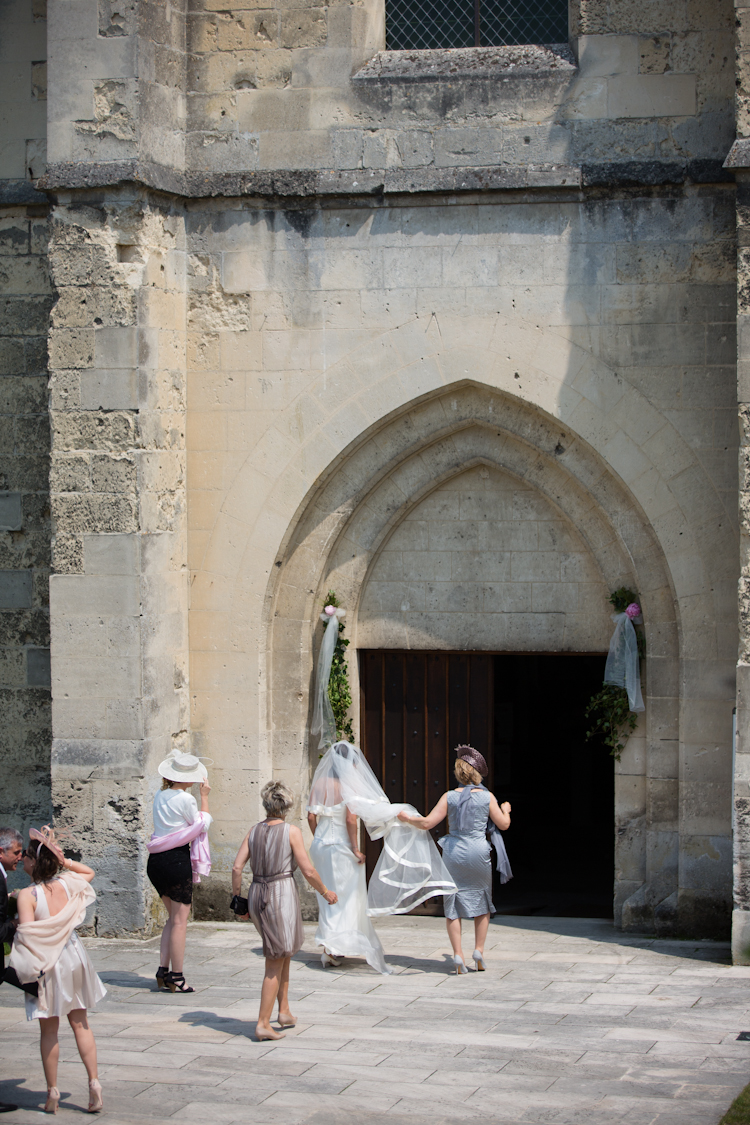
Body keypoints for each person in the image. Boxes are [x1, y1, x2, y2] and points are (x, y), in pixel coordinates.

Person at [232, 780, 338, 1041]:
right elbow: (308, 870)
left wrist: (238, 900)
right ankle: (263, 1023)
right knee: (275, 958)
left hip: (256, 891)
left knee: (284, 951)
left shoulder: (253, 830)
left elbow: (236, 868)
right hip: (279, 893)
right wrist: (325, 892)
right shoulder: (291, 831)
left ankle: (285, 1011)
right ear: (287, 805)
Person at [11, 827, 106, 1114]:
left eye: (26, 856)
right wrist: (64, 861)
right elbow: (87, 872)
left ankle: (52, 1091)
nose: (23, 860)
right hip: (74, 954)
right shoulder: (68, 883)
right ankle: (94, 1084)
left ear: (33, 862)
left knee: (49, 1028)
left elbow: (29, 935)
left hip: (48, 960)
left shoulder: (27, 895)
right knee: (81, 1022)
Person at [398, 745, 511, 974]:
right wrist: (506, 809)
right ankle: (478, 950)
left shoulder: (448, 797)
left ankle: (458, 955)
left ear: (458, 772)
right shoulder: (488, 797)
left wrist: (407, 818)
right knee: (482, 903)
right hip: (479, 850)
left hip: (454, 851)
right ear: (478, 773)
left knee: (452, 905)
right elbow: (504, 825)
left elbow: (428, 823)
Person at [307, 747, 390, 973]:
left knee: (326, 894)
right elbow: (351, 819)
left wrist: (318, 838)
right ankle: (332, 947)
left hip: (320, 846)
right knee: (345, 896)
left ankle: (330, 945)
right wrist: (355, 848)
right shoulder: (347, 785)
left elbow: (311, 816)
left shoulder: (319, 783)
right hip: (341, 846)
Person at [146, 751, 212, 993]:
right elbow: (201, 825)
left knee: (172, 919)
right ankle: (177, 976)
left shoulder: (159, 795)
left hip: (156, 861)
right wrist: (205, 797)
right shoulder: (186, 799)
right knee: (180, 922)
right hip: (175, 860)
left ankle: (163, 971)